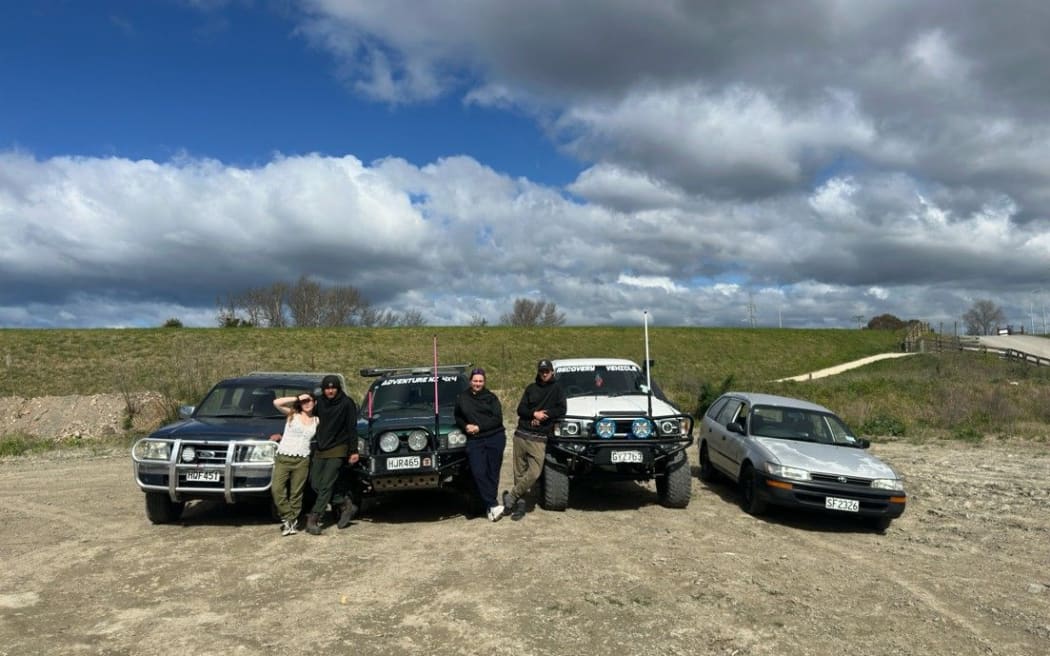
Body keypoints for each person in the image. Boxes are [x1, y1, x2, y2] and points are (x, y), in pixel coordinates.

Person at [502, 359, 566, 520]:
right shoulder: (531, 388)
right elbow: (520, 409)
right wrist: (533, 414)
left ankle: (511, 496)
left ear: (552, 372)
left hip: (539, 438)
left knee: (534, 473)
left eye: (547, 371)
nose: (544, 373)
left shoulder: (557, 389)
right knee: (519, 473)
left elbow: (561, 409)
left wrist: (544, 416)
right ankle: (518, 506)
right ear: (538, 372)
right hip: (521, 435)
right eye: (542, 371)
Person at [305, 375, 359, 535]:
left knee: (327, 483)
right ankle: (344, 504)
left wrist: (353, 451)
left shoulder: (347, 403)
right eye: (327, 388)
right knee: (315, 483)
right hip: (321, 447)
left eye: (333, 387)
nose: (330, 391)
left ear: (338, 388)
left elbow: (352, 428)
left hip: (339, 448)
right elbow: (304, 411)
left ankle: (314, 518)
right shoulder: (319, 402)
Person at [454, 367, 506, 522]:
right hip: (475, 440)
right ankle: (493, 504)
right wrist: (465, 427)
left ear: (484, 382)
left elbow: (497, 419)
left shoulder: (491, 398)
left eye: (480, 381)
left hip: (494, 437)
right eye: (475, 381)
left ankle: (490, 508)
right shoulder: (462, 398)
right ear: (470, 381)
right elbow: (458, 416)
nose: (477, 383)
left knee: (492, 473)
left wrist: (479, 427)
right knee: (478, 472)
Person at [269, 392, 318, 536]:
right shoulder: (292, 414)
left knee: (296, 493)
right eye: (304, 401)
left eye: (310, 400)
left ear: (315, 402)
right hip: (284, 457)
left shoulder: (317, 420)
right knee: (277, 489)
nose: (307, 403)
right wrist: (297, 399)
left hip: (302, 459)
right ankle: (288, 517)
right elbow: (277, 402)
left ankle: (290, 522)